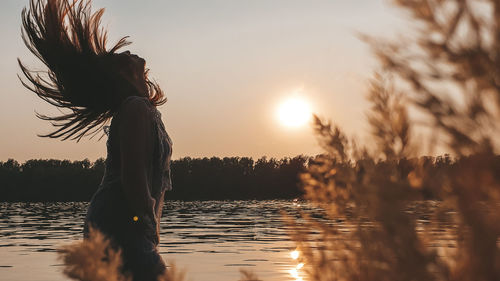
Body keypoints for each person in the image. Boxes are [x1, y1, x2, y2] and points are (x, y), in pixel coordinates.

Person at [18, 1, 173, 280]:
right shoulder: (135, 107)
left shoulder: (139, 108)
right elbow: (134, 176)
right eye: (118, 55)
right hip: (122, 221)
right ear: (121, 71)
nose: (127, 51)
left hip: (119, 220)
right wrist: (148, 225)